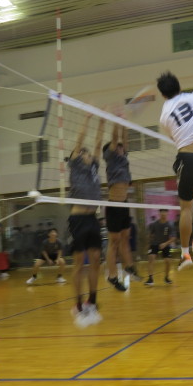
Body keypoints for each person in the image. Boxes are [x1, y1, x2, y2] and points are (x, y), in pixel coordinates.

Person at [158, 71, 193, 271]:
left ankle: (185, 254)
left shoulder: (164, 115)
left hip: (187, 159)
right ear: (179, 87)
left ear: (163, 94)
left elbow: (175, 138)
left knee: (185, 208)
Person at [68, 113, 104, 327]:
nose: (87, 153)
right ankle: (78, 303)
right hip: (78, 218)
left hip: (92, 218)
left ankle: (93, 300)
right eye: (83, 152)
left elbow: (98, 144)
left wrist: (102, 121)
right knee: (80, 261)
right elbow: (79, 141)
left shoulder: (94, 168)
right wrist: (87, 119)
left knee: (96, 259)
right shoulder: (75, 166)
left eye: (88, 152)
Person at [103, 120, 141, 291]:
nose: (120, 148)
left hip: (124, 204)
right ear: (110, 151)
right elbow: (115, 139)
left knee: (126, 237)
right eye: (117, 147)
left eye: (120, 147)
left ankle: (129, 266)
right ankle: (112, 276)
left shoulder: (123, 159)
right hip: (114, 205)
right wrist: (116, 122)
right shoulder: (111, 159)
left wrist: (124, 124)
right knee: (114, 242)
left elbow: (125, 141)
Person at [145, 209, 176, 286]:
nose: (163, 214)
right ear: (159, 214)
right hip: (154, 244)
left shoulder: (170, 225)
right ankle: (150, 279)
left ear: (167, 214)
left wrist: (165, 244)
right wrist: (148, 244)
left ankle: (166, 278)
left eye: (165, 213)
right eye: (162, 213)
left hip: (165, 245)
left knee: (168, 261)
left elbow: (173, 238)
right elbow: (149, 235)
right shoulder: (154, 224)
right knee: (151, 258)